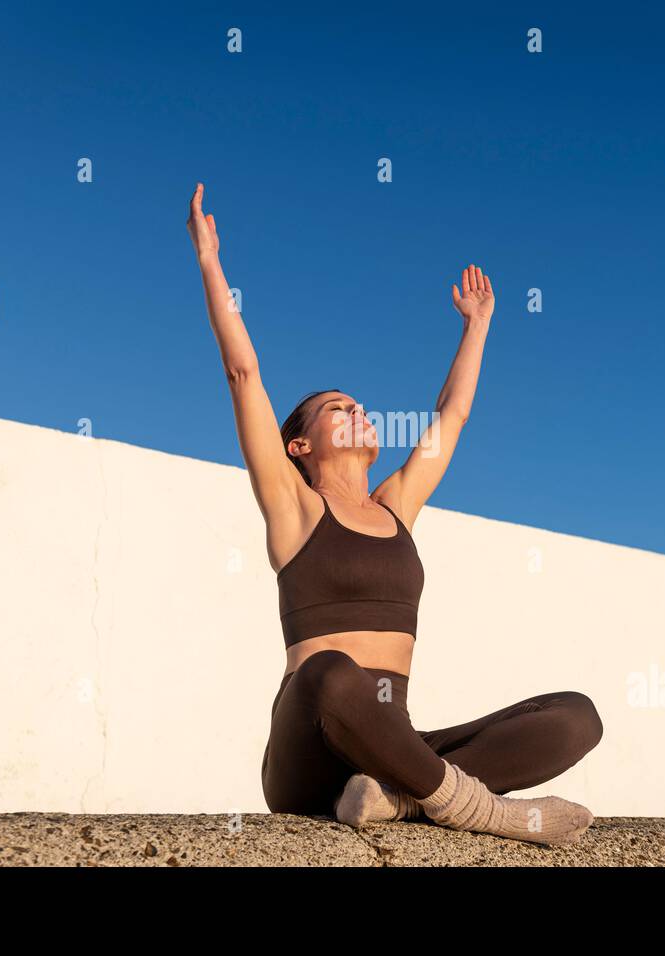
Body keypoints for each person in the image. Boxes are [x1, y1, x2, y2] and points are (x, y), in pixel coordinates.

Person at [186, 183, 603, 845]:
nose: (357, 412)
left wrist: (478, 325)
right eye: (337, 409)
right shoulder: (294, 506)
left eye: (360, 405)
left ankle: (401, 800)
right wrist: (210, 262)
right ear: (299, 445)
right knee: (330, 672)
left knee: (575, 718)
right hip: (311, 748)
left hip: (387, 752)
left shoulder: (397, 507)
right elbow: (244, 373)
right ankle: (481, 811)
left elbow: (453, 416)